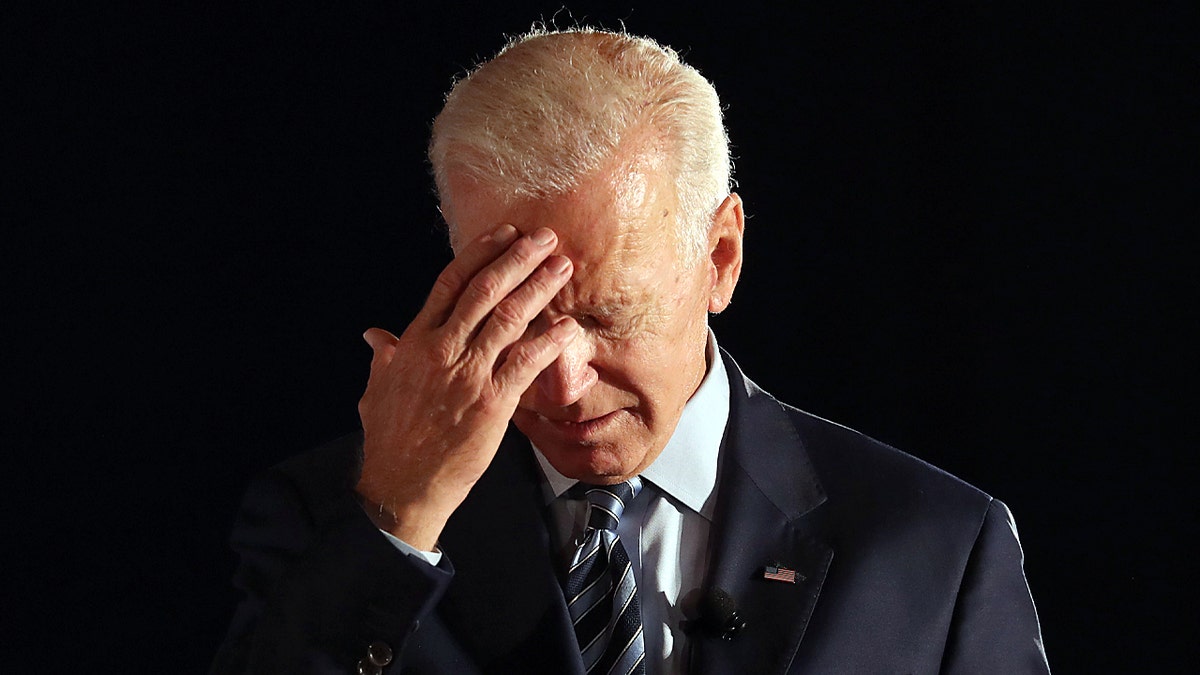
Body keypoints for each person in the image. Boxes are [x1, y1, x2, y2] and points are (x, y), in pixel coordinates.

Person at [211, 28, 1049, 674]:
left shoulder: (938, 547)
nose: (565, 386)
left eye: (612, 317)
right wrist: (395, 521)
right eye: (518, 315)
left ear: (721, 257)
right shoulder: (326, 518)